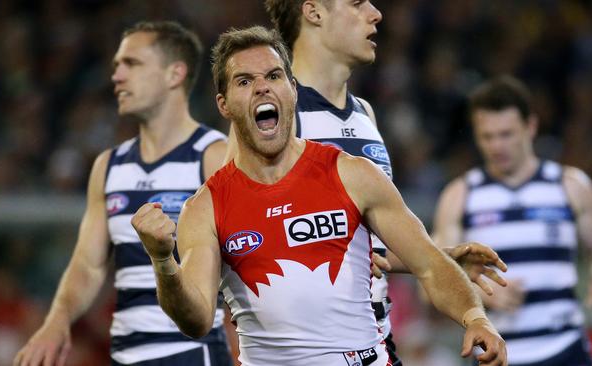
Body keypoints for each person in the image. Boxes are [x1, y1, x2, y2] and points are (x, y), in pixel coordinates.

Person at [131, 25, 507, 366]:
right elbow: (195, 319)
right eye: (244, 81)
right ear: (224, 104)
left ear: (292, 90)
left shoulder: (352, 174)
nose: (263, 87)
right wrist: (163, 260)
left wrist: (475, 318)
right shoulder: (206, 206)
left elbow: (427, 262)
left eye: (274, 76)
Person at [258, 1, 508, 363]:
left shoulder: (364, 114)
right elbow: (248, 232)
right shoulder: (272, 113)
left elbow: (361, 240)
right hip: (309, 348)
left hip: (374, 338)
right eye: (358, 3)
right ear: (313, 12)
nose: (376, 13)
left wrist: (442, 259)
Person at [13, 21, 233, 366]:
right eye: (117, 65)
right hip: (125, 355)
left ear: (174, 74)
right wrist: (56, 321)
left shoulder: (214, 156)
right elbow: (88, 263)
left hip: (192, 353)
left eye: (132, 63)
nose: (117, 76)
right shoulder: (109, 166)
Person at [433, 75, 592, 366]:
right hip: (495, 354)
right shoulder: (460, 196)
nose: (497, 146)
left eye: (506, 134)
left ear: (530, 127)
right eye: (487, 136)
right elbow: (431, 276)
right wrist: (478, 296)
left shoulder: (569, 186)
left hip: (565, 349)